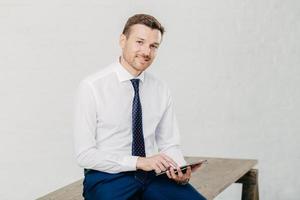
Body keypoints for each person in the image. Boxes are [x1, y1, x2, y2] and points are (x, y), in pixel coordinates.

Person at [73, 13, 206, 200]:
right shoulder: (92, 87)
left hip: (153, 176)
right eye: (140, 42)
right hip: (108, 178)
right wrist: (139, 162)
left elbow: (169, 143)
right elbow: (84, 155)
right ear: (122, 40)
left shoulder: (160, 88)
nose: (146, 52)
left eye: (154, 46)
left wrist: (179, 167)